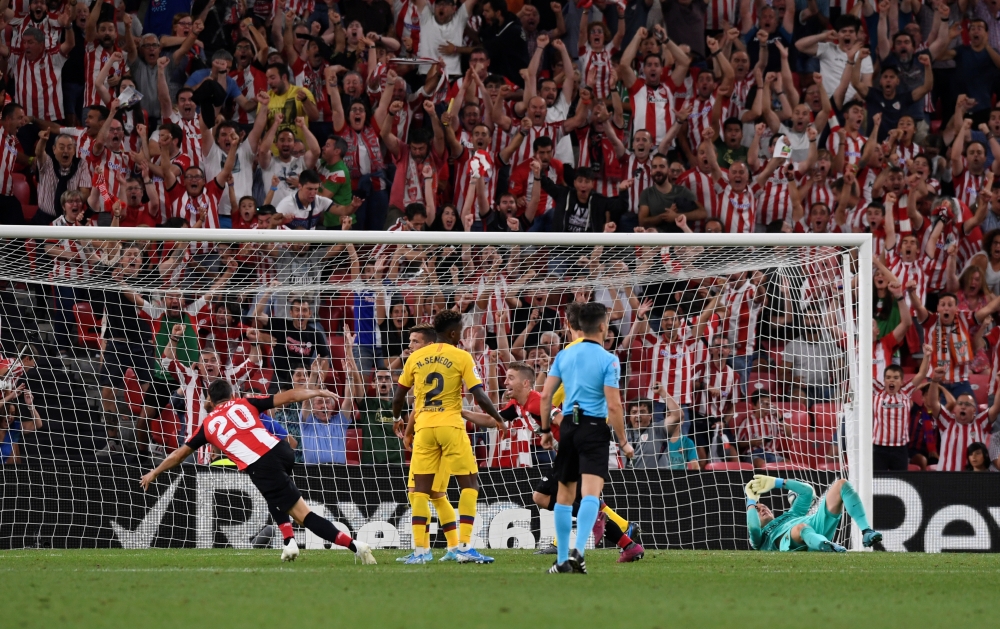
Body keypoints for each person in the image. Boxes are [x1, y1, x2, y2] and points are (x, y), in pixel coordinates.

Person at [140, 380, 377, 564]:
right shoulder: (245, 402)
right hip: (282, 450)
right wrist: (317, 392)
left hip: (262, 464)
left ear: (210, 401)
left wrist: (154, 472)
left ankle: (356, 546)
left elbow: (178, 455)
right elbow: (290, 396)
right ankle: (289, 541)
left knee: (303, 516)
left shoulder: (208, 425)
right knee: (274, 495)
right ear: (232, 395)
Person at [392, 310, 507, 564]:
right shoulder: (461, 356)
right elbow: (479, 395)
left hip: (424, 429)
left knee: (419, 492)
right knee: (469, 485)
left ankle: (421, 552)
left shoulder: (415, 358)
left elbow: (399, 397)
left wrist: (396, 419)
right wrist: (498, 418)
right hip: (451, 427)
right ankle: (464, 547)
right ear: (454, 333)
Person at [539, 302, 634, 574]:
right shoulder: (609, 359)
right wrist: (624, 442)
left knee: (565, 497)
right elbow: (614, 406)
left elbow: (545, 396)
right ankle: (579, 553)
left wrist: (546, 431)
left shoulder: (564, 355)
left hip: (569, 426)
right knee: (591, 494)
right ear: (603, 326)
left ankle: (560, 560)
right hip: (594, 428)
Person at [745, 474, 882, 552]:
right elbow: (753, 527)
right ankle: (826, 546)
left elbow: (807, 492)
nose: (762, 509)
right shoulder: (760, 539)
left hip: (815, 527)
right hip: (794, 541)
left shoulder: (791, 515)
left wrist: (776, 482)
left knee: (841, 484)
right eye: (757, 509)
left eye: (763, 506)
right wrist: (751, 499)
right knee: (800, 528)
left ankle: (867, 531)